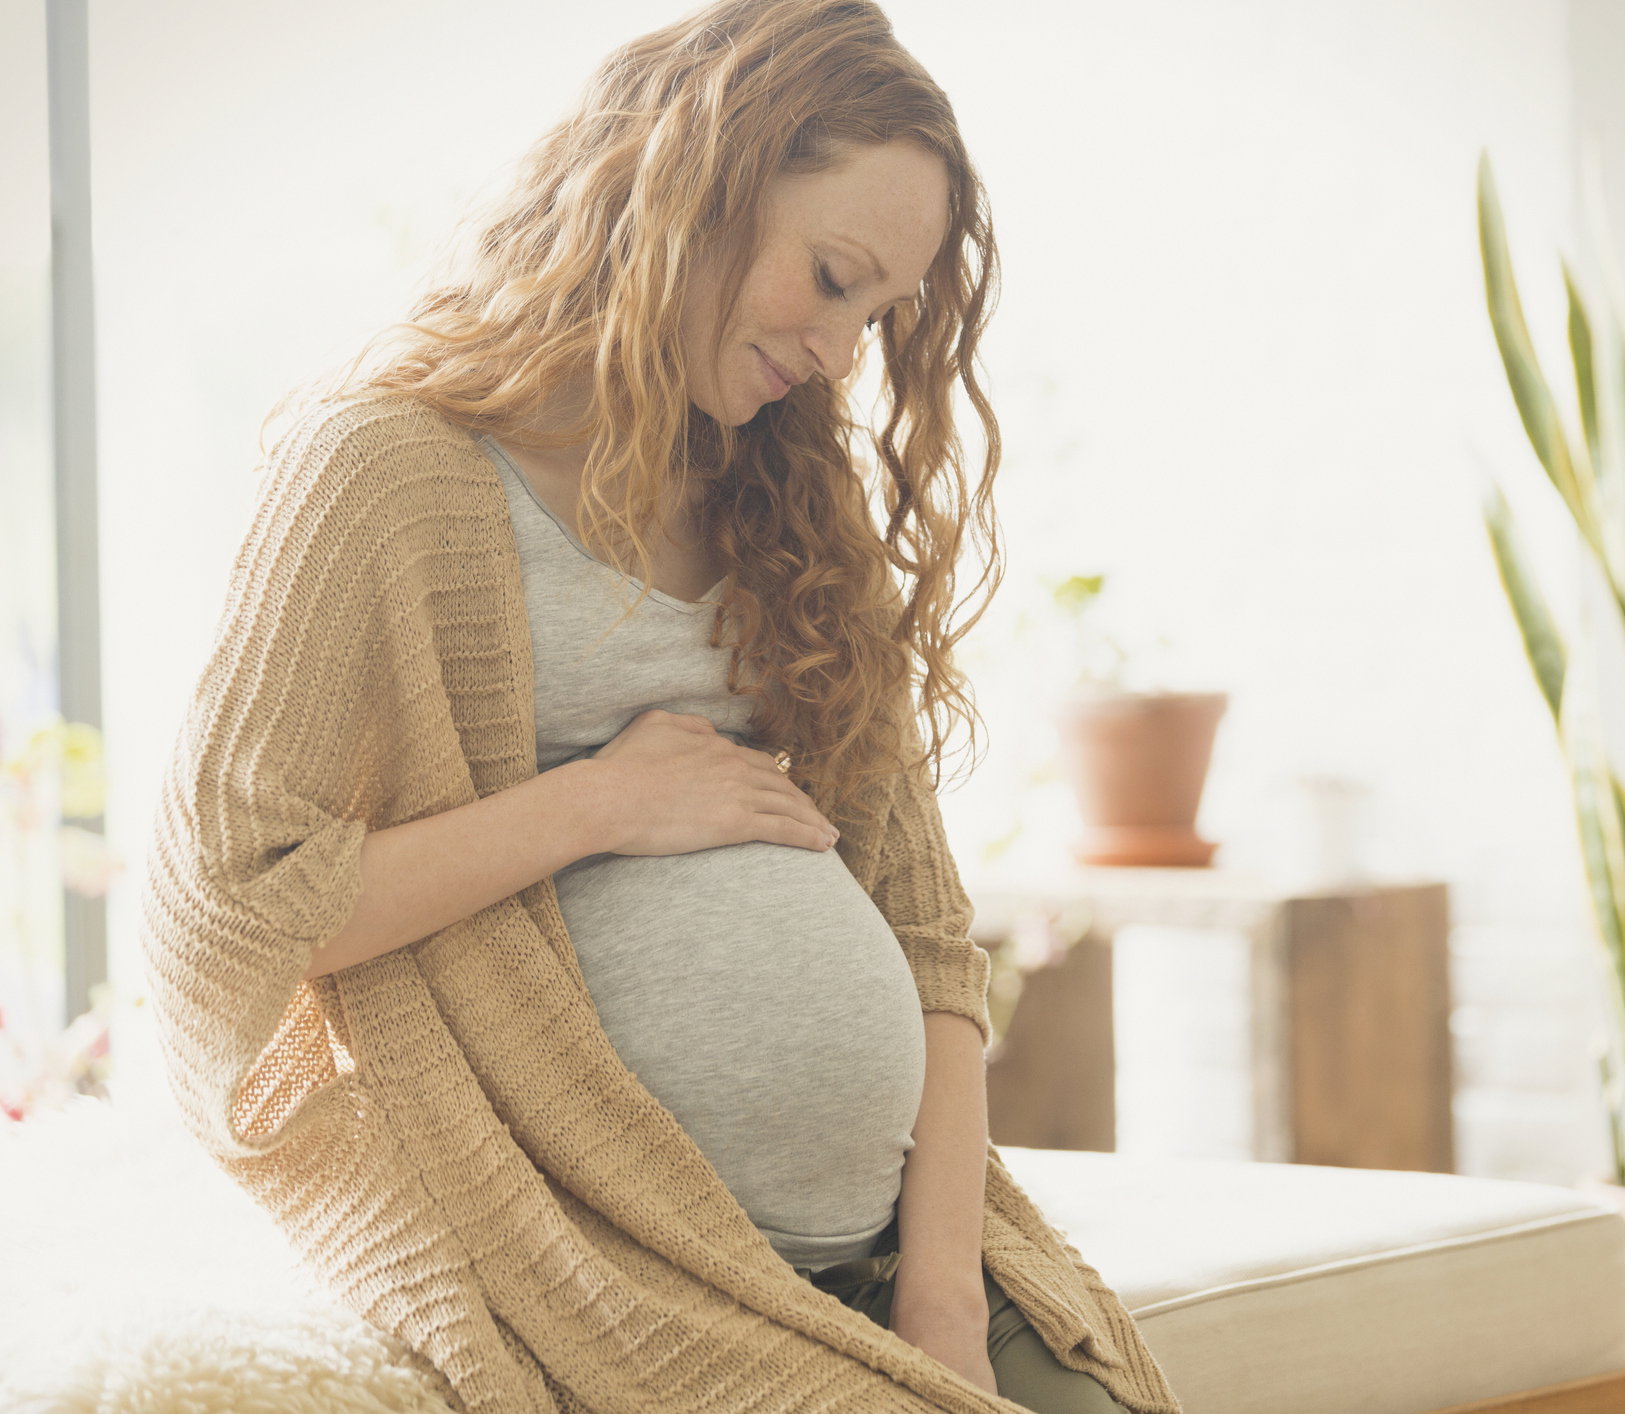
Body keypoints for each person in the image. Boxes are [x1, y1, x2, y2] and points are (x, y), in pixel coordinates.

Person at [137, 3, 1182, 1411]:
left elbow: (929, 937)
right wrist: (597, 804)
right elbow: (229, 925)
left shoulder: (792, 509)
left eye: (872, 314)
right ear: (694, 178)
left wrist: (941, 1301)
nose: (833, 350)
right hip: (608, 1266)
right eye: (826, 276)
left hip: (894, 1261)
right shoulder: (385, 473)